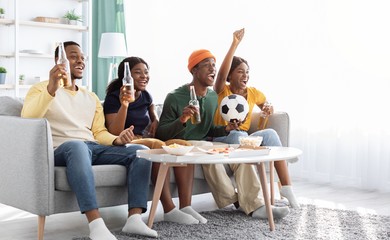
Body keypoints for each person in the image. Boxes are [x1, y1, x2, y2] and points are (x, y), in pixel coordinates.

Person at [21, 41, 158, 240]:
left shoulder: (90, 97)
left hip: (92, 147)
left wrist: (116, 139)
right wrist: (52, 87)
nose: (80, 61)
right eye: (73, 56)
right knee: (77, 146)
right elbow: (28, 119)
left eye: (83, 57)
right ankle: (95, 224)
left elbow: (99, 132)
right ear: (59, 61)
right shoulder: (40, 89)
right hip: (61, 148)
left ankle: (134, 218)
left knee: (140, 150)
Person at [155, 49, 290, 220]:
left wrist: (226, 128)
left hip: (205, 142)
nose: (213, 69)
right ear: (194, 71)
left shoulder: (212, 96)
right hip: (184, 144)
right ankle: (238, 201)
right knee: (207, 149)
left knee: (239, 153)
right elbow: (161, 133)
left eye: (214, 65)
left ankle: (257, 205)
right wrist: (182, 119)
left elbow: (210, 129)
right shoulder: (174, 97)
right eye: (207, 65)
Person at [103, 57, 206, 224]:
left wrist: (156, 120)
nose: (144, 76)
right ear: (126, 77)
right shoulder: (114, 98)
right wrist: (125, 105)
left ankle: (186, 206)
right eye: (138, 72)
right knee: (158, 147)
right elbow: (114, 132)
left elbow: (154, 118)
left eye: (146, 72)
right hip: (126, 142)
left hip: (147, 140)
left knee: (183, 145)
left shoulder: (146, 96)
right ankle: (169, 209)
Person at [211, 28, 299, 208]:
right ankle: (254, 198)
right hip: (223, 138)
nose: (246, 76)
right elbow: (220, 75)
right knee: (237, 136)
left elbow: (266, 105)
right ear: (230, 75)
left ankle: (287, 188)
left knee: (271, 134)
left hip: (244, 139)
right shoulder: (222, 90)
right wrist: (234, 44)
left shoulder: (253, 93)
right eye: (240, 72)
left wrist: (268, 109)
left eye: (247, 72)